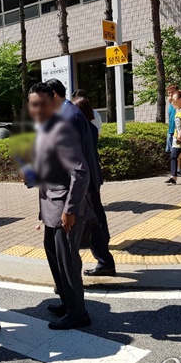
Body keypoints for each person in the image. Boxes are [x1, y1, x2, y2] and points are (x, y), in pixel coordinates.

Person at [28, 83, 91, 330]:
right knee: (54, 256)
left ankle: (78, 313)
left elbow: (80, 172)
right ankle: (68, 302)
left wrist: (70, 210)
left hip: (64, 209)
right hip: (50, 208)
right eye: (32, 104)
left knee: (68, 262)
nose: (36, 109)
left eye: (41, 103)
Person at [46, 79, 116, 277]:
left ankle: (102, 262)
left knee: (92, 224)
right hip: (89, 181)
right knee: (94, 222)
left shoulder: (70, 117)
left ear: (53, 94)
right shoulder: (82, 121)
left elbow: (76, 161)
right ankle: (103, 260)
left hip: (84, 184)